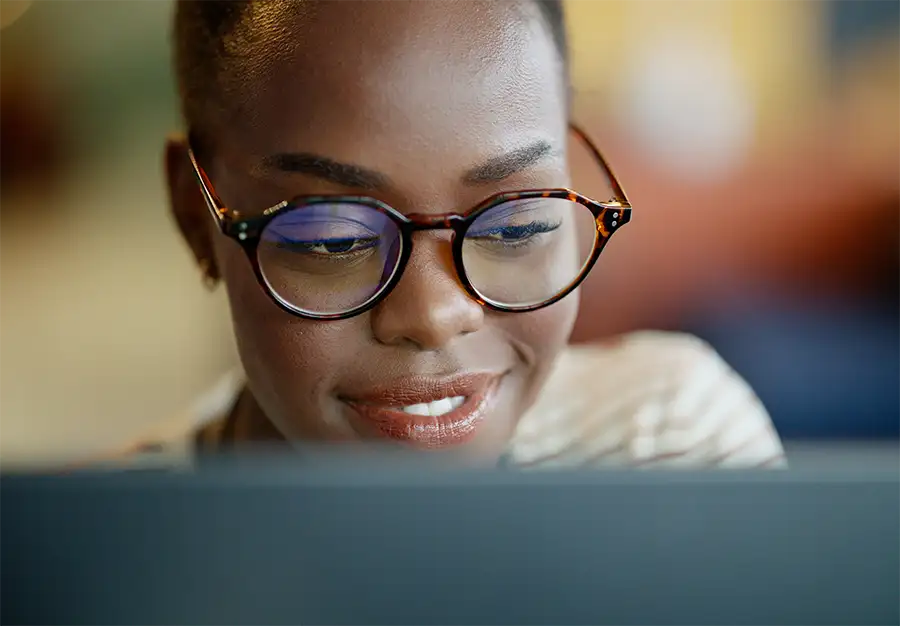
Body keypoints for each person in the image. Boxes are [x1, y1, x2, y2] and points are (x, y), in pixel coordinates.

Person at [117, 0, 784, 469]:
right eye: (334, 240)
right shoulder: (95, 555)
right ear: (194, 216)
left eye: (517, 223)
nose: (434, 316)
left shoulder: (670, 446)